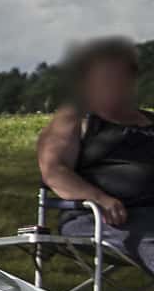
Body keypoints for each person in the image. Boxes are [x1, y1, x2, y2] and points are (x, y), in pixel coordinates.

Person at [38, 36, 154, 268]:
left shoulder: (150, 120)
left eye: (122, 76)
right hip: (103, 217)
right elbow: (54, 170)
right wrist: (99, 198)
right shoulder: (75, 118)